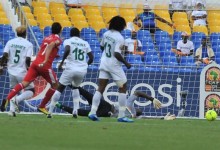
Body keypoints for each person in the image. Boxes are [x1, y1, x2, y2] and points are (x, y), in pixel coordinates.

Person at [0, 22, 63, 115]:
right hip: (43, 66)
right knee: (55, 85)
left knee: (23, 84)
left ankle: (8, 99)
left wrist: (54, 55)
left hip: (33, 64)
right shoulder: (58, 39)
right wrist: (46, 60)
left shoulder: (46, 38)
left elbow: (43, 49)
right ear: (60, 30)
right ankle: (42, 106)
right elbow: (51, 46)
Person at [88, 16, 133, 123]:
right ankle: (121, 115)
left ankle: (92, 112)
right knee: (123, 87)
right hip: (114, 65)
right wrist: (126, 63)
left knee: (101, 87)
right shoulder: (120, 38)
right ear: (121, 25)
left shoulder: (106, 33)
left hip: (104, 62)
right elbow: (117, 53)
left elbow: (102, 46)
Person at [48, 28, 94, 118]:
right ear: (79, 34)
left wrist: (62, 62)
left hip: (70, 68)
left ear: (70, 34)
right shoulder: (85, 43)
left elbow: (68, 49)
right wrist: (85, 65)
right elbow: (91, 58)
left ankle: (50, 112)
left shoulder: (68, 41)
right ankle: (75, 111)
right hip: (82, 70)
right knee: (75, 88)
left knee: (60, 89)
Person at [55, 86, 162, 118]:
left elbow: (148, 118)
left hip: (106, 113)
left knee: (85, 113)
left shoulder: (133, 115)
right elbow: (138, 92)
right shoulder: (129, 103)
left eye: (140, 111)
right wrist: (152, 99)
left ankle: (59, 105)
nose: (140, 109)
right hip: (107, 106)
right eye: (140, 109)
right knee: (89, 96)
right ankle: (69, 84)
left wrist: (162, 118)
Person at [0, 26, 35, 116]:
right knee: (31, 90)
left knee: (13, 89)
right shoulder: (28, 44)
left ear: (17, 33)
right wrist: (29, 70)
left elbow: (4, 55)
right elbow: (27, 59)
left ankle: (12, 111)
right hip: (22, 71)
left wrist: (0, 67)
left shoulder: (10, 42)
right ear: (25, 34)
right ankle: (17, 100)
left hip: (11, 70)